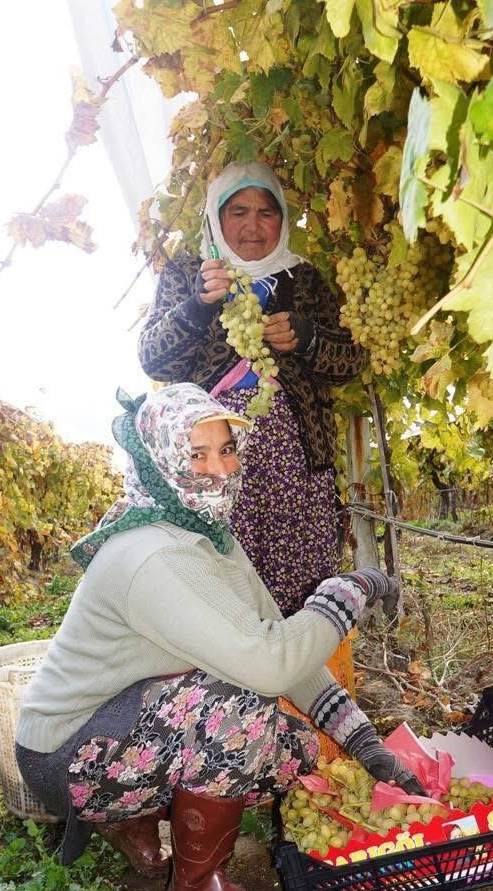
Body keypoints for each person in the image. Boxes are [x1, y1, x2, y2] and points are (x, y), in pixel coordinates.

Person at [15, 383, 422, 891]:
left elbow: (281, 648)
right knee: (240, 702)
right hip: (65, 755)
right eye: (195, 454)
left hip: (124, 721)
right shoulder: (151, 554)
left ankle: (131, 819)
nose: (216, 469)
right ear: (156, 461)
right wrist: (347, 591)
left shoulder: (210, 539)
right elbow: (269, 665)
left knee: (293, 755)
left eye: (225, 450)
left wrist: (366, 745)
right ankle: (196, 890)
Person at [137, 161, 367, 616]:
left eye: (267, 212)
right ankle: (233, 684)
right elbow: (154, 357)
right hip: (213, 461)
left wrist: (310, 338)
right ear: (216, 219)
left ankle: (300, 679)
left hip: (297, 463)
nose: (253, 226)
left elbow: (350, 362)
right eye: (238, 211)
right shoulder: (190, 274)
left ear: (282, 219)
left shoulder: (305, 279)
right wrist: (199, 305)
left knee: (301, 583)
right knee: (221, 585)